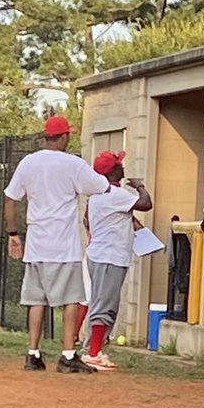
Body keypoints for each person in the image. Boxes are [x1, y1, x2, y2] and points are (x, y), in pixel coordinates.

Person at [4, 115, 110, 374]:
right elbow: (101, 186)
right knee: (71, 300)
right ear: (63, 137)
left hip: (37, 245)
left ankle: (33, 353)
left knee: (36, 300)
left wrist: (13, 233)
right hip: (62, 245)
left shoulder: (29, 162)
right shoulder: (72, 164)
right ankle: (67, 354)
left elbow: (10, 198)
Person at [81, 150, 152, 370]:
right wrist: (139, 185)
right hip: (108, 257)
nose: (122, 166)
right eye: (118, 164)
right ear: (113, 172)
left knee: (105, 305)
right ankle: (92, 353)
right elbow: (146, 203)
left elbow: (87, 220)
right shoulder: (114, 193)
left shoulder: (99, 195)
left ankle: (94, 350)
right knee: (104, 306)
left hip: (105, 255)